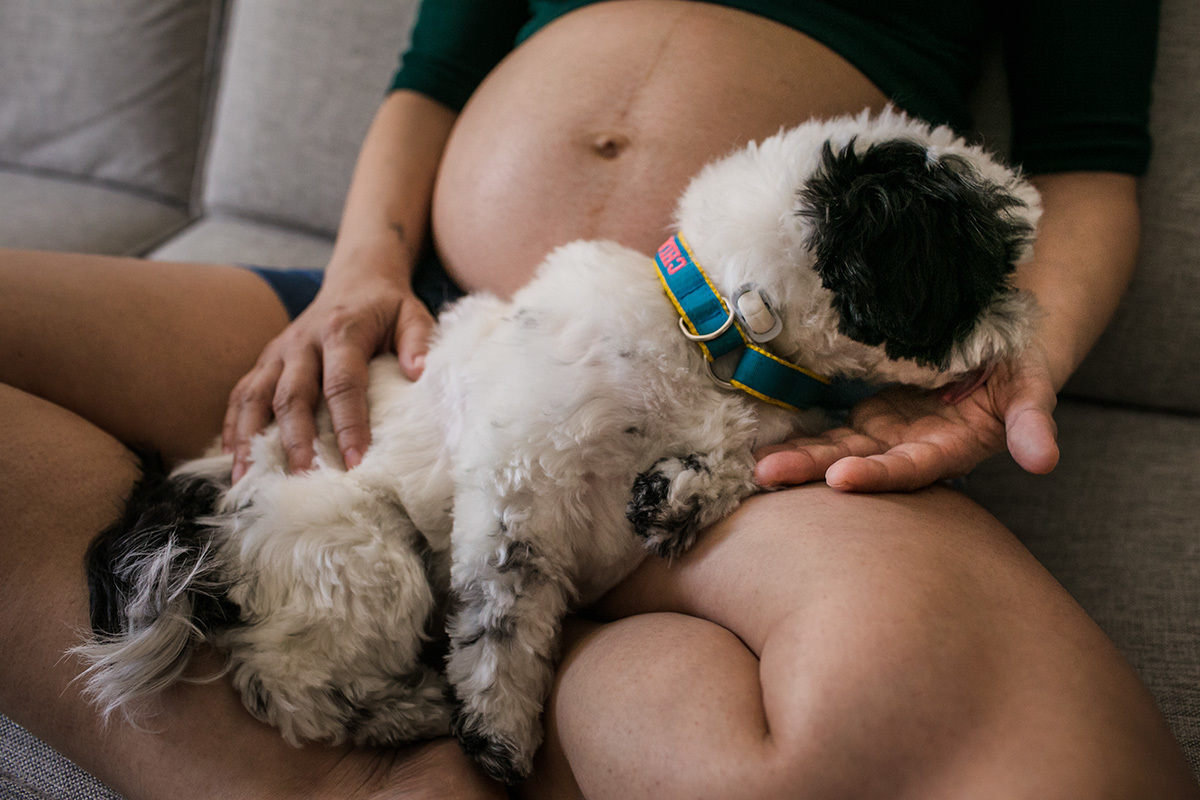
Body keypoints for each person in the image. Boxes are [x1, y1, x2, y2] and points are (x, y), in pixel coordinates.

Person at [1, 0, 1197, 798]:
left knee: (1036, 750)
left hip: (751, 404)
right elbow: (435, 76)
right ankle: (355, 738)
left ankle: (392, 726)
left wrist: (1005, 361)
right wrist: (363, 271)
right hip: (423, 323)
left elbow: (1089, 160)